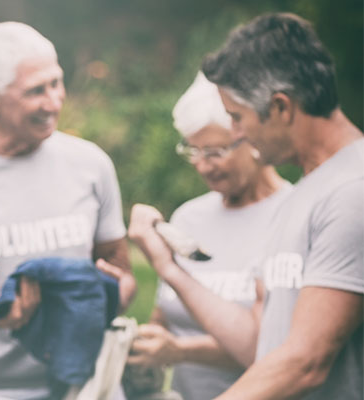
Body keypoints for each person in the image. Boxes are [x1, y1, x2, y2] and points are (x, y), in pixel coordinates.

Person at [129, 13, 363, 399]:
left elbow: (306, 361)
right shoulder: (305, 190)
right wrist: (167, 267)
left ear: (281, 108)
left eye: (237, 118)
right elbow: (258, 344)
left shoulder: (353, 191)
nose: (236, 133)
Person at [0, 22, 135, 399]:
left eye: (56, 83)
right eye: (36, 91)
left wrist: (101, 292)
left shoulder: (90, 164)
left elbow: (125, 279)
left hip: (83, 387)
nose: (53, 101)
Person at [125, 71, 292, 400]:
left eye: (215, 152)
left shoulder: (289, 214)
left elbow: (276, 348)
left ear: (251, 138)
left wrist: (183, 351)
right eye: (193, 151)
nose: (202, 166)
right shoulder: (189, 217)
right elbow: (167, 315)